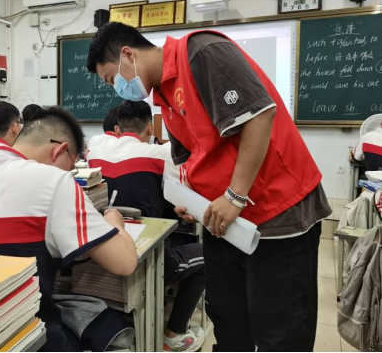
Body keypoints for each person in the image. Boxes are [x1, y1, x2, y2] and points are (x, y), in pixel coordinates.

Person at [88, 22, 332, 352]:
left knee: (279, 330)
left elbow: (259, 116)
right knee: (228, 320)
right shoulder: (164, 95)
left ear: (128, 55)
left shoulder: (201, 52)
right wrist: (191, 198)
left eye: (111, 79)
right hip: (226, 221)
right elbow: (194, 157)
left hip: (276, 211)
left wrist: (235, 195)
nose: (117, 89)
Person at [0, 107, 137, 352]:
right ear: (60, 150)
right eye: (70, 167)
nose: (69, 174)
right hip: (21, 333)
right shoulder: (52, 180)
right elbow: (125, 263)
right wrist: (114, 221)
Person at [87, 100, 206, 352]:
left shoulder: (95, 148)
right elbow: (183, 201)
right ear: (150, 128)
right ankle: (173, 335)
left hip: (101, 255)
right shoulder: (162, 154)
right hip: (145, 256)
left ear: (117, 128)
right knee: (207, 256)